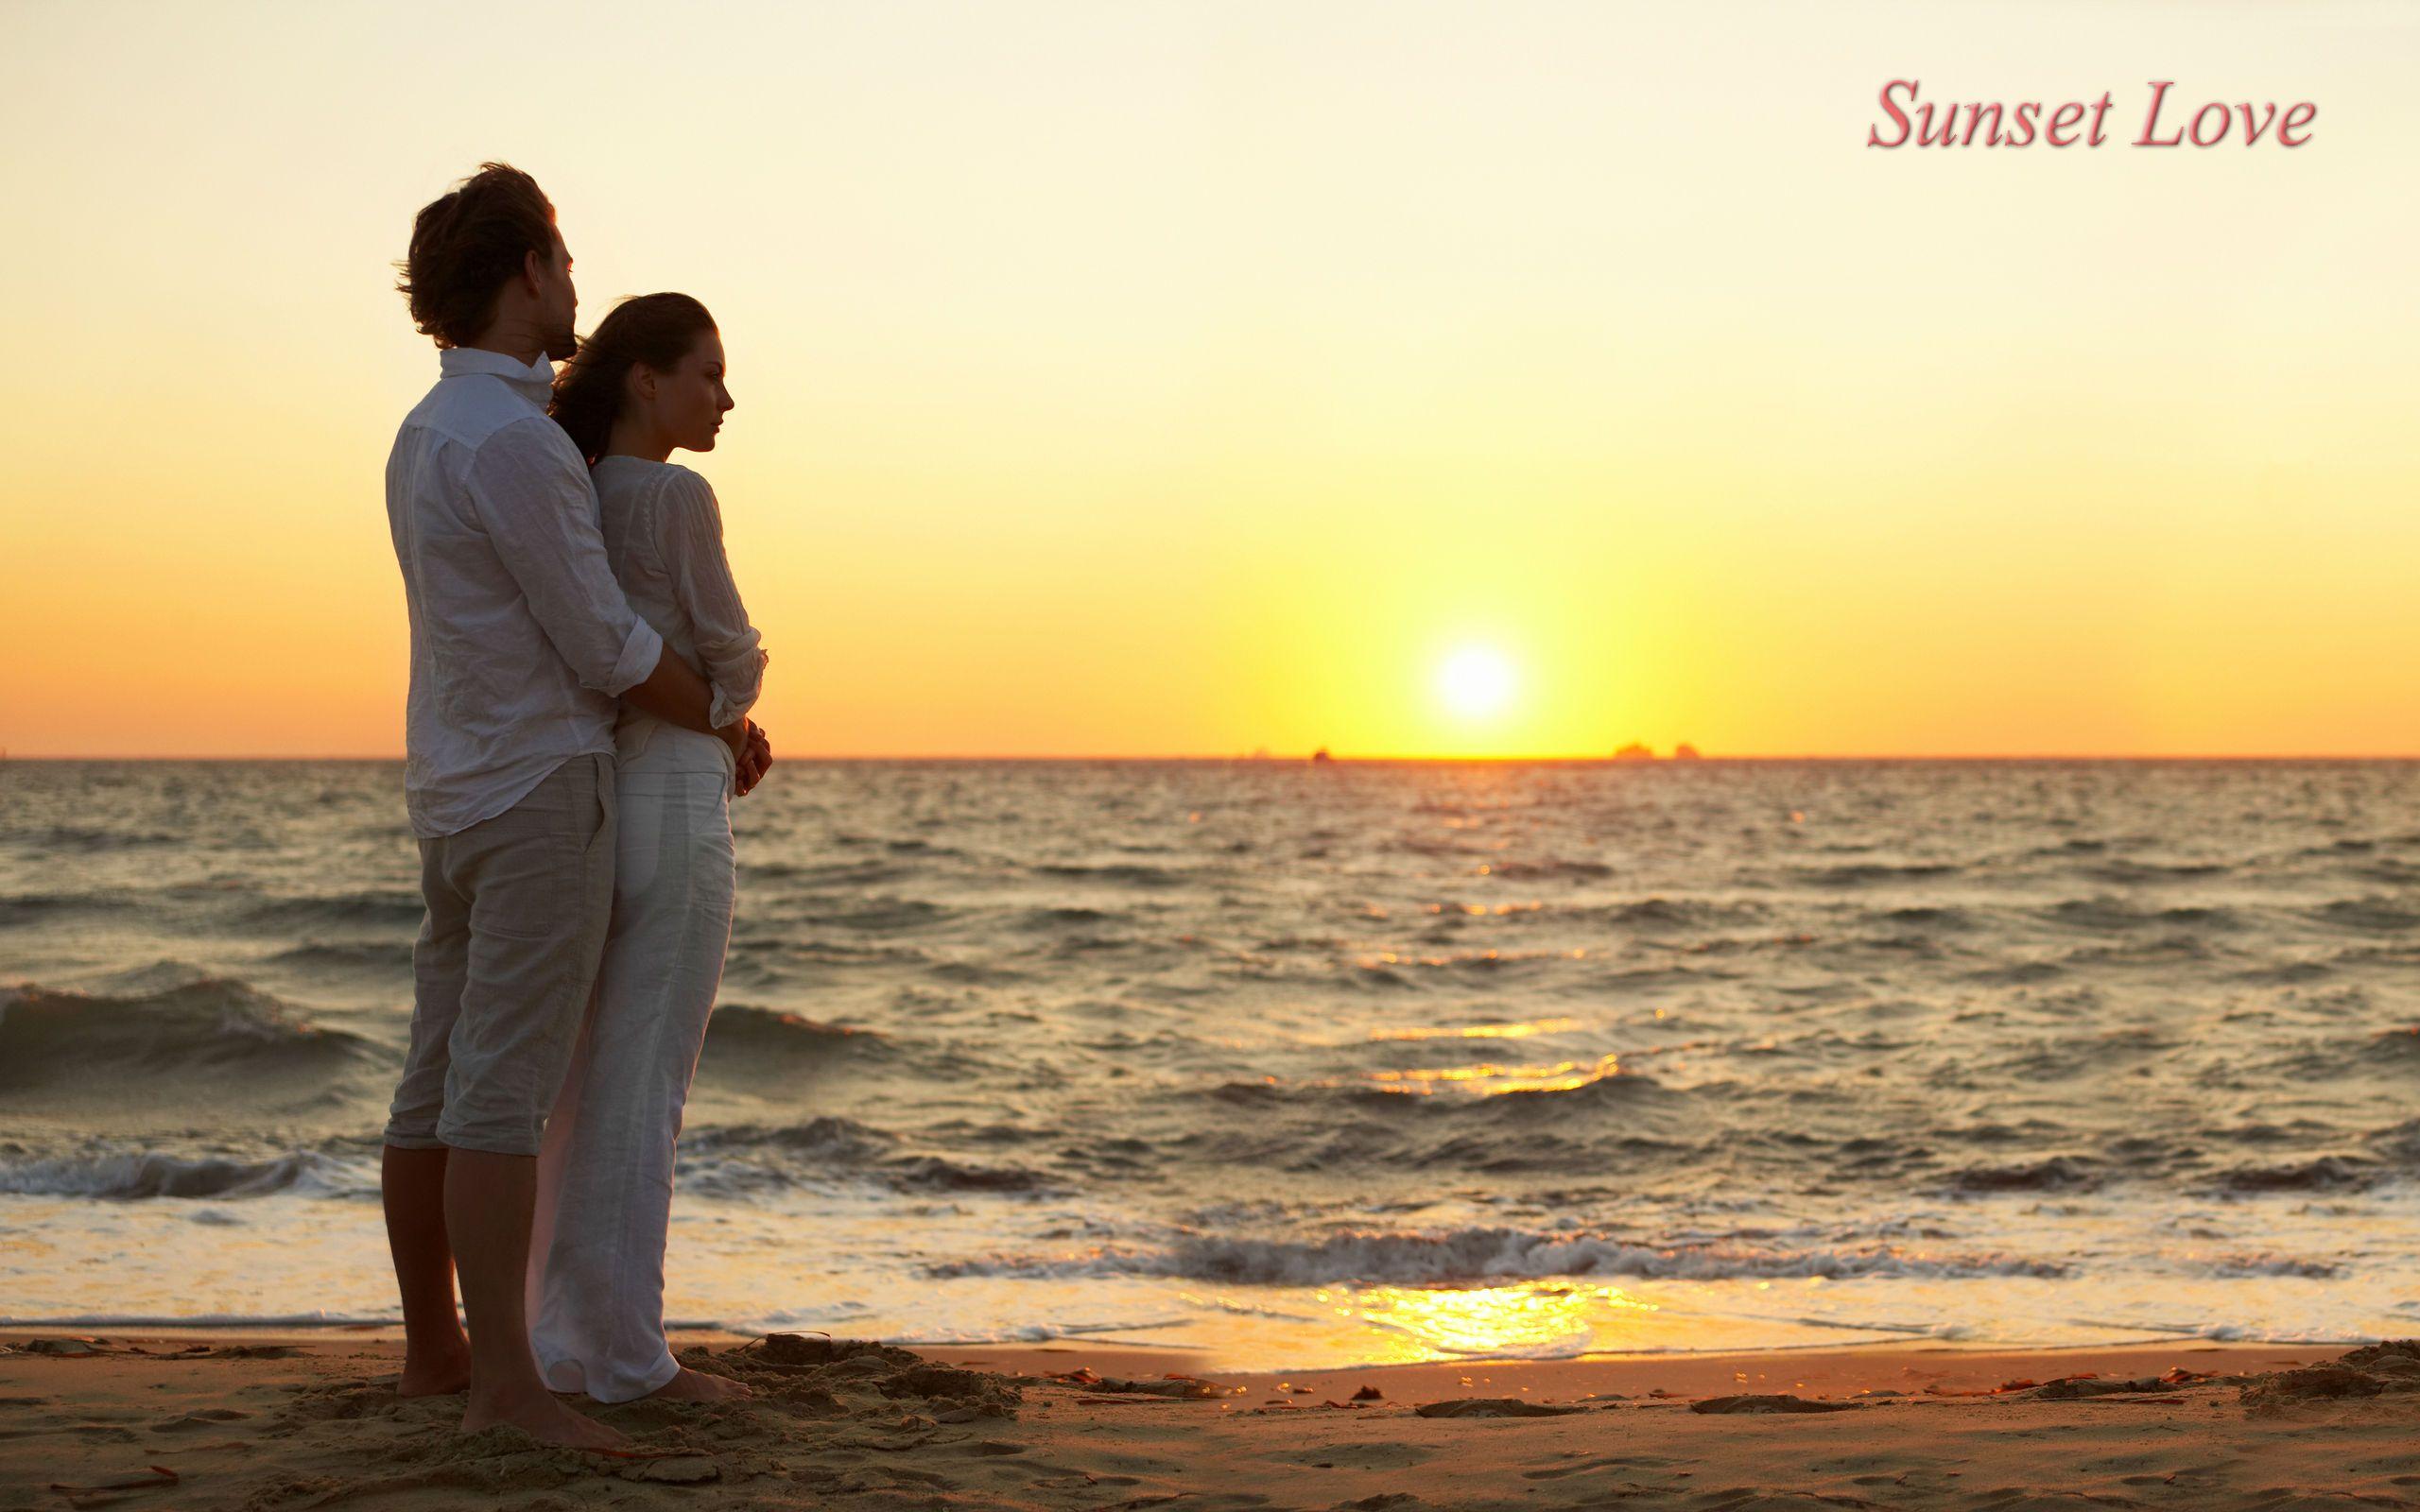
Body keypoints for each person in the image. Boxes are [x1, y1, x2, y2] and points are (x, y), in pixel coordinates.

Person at [378, 163, 770, 1449]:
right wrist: (725, 718)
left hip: (451, 785)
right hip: (541, 787)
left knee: (439, 1085)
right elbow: (604, 642)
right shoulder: (515, 446)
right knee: (504, 1095)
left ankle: (439, 1355)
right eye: (559, 259)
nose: (576, 286)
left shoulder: (433, 429)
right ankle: (508, 1388)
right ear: (524, 272)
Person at [527, 293, 766, 1404]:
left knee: (583, 1084)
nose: (725, 397)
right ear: (644, 379)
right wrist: (735, 708)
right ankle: (625, 1354)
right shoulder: (676, 494)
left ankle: (561, 1339)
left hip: (609, 796)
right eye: (708, 374)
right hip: (675, 801)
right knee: (643, 1087)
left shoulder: (571, 491)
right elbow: (731, 656)